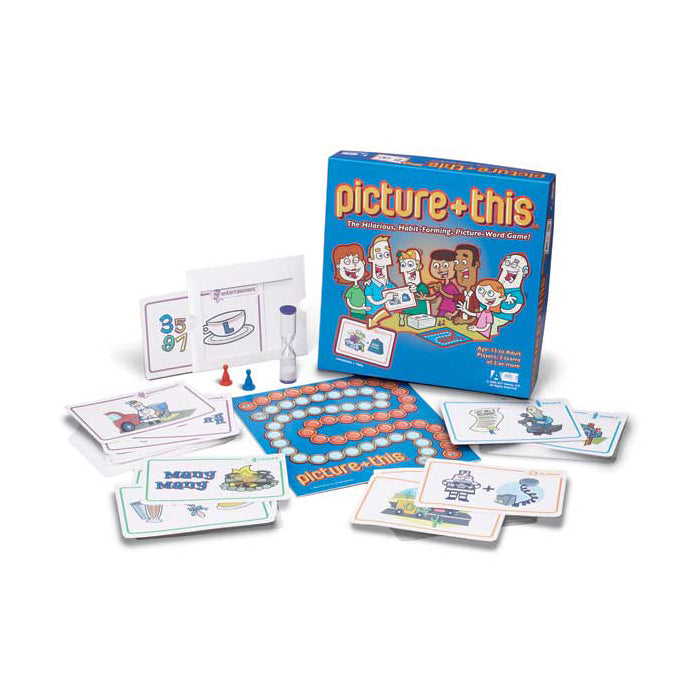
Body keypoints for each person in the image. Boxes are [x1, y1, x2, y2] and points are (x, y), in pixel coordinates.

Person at [491, 253, 529, 335]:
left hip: (502, 316)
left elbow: (517, 306)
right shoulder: (496, 287)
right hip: (491, 313)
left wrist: (502, 309)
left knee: (492, 324)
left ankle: (492, 333)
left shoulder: (515, 292)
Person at [396, 248, 436, 326]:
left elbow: (428, 298)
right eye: (403, 265)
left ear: (419, 266)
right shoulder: (404, 290)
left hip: (421, 317)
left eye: (410, 264)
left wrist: (417, 291)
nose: (407, 269)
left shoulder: (422, 287)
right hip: (407, 317)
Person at [332, 243, 370, 320]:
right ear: (338, 267)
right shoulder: (351, 290)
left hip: (363, 313)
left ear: (363, 263)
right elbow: (350, 304)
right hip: (356, 313)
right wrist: (361, 308)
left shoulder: (360, 288)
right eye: (347, 262)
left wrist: (366, 285)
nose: (353, 265)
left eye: (356, 260)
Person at [365, 235, 396, 328]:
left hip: (390, 317)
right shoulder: (370, 285)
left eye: (387, 254)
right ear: (371, 259)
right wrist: (386, 299)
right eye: (379, 255)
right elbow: (373, 301)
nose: (384, 258)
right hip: (373, 317)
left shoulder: (390, 285)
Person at [449, 243, 481, 325]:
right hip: (460, 324)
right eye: (456, 262)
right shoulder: (462, 295)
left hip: (471, 326)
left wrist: (464, 321)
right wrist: (453, 315)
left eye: (463, 262)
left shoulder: (475, 297)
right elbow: (458, 307)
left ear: (476, 264)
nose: (457, 268)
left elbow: (476, 315)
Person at [427, 249, 460, 319]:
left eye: (445, 265)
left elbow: (458, 300)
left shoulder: (452, 287)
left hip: (450, 310)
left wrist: (454, 313)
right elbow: (435, 296)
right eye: (436, 266)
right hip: (443, 309)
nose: (441, 269)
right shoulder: (443, 285)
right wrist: (425, 298)